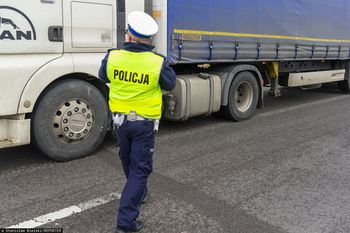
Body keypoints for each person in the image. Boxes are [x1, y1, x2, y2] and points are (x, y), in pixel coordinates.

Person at [98, 11, 176, 233]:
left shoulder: (112, 57)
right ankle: (126, 222)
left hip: (120, 123)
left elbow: (103, 77)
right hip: (144, 125)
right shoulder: (157, 62)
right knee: (140, 170)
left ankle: (139, 192)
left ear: (129, 36)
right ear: (149, 39)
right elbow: (170, 84)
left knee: (127, 160)